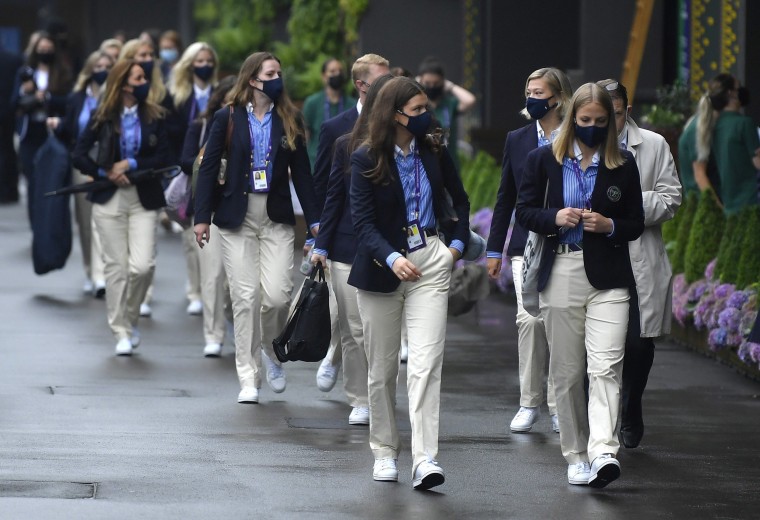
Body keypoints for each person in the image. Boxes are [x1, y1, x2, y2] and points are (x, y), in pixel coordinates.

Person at [515, 83, 644, 488]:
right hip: (563, 271)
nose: (591, 127)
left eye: (600, 122)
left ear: (610, 123)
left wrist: (609, 225)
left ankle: (603, 450)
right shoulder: (543, 160)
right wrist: (554, 218)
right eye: (584, 120)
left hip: (609, 278)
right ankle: (575, 452)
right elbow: (525, 211)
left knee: (606, 366)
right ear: (572, 119)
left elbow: (635, 222)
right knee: (568, 372)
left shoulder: (622, 163)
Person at [349, 76, 470, 490]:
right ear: (395, 114)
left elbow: (460, 198)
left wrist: (455, 246)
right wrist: (392, 256)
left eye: (426, 109)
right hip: (384, 268)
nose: (426, 116)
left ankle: (426, 458)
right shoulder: (366, 157)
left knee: (424, 363)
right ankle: (384, 450)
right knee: (382, 369)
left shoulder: (434, 150)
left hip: (432, 264)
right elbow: (361, 223)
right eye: (417, 111)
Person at [193, 52, 321, 404]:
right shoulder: (227, 117)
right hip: (237, 217)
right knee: (245, 297)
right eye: (271, 73)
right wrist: (202, 216)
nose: (278, 78)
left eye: (280, 72)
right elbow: (208, 169)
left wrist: (315, 222)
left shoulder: (289, 118)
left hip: (276, 217)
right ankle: (248, 376)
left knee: (278, 296)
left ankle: (270, 350)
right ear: (253, 80)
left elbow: (303, 176)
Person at [486, 67, 573, 435]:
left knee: (558, 325)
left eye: (539, 92)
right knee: (530, 319)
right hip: (527, 244)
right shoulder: (517, 139)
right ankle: (529, 401)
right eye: (528, 91)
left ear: (557, 97)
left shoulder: (575, 137)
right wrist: (494, 250)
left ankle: (558, 405)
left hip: (569, 241)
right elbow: (506, 196)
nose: (532, 98)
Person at [597, 79, 683, 449]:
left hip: (637, 257)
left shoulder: (653, 145)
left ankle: (630, 406)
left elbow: (671, 198)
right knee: (594, 347)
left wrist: (626, 207)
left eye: (615, 116)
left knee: (637, 344)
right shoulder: (576, 144)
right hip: (592, 256)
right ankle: (600, 422)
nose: (608, 125)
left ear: (627, 111)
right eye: (601, 117)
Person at [310, 72, 394, 425]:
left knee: (381, 331)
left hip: (389, 248)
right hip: (346, 246)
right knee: (353, 328)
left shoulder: (408, 147)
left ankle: (381, 393)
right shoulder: (346, 143)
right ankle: (361, 398)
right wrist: (319, 245)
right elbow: (332, 199)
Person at [71, 59, 170, 355]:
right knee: (116, 268)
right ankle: (120, 331)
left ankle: (130, 316)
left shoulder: (154, 115)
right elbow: (79, 155)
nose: (145, 84)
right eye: (139, 79)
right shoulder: (102, 115)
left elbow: (165, 156)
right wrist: (106, 172)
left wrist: (132, 163)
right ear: (124, 84)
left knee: (142, 266)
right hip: (109, 197)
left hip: (143, 197)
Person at [48, 50, 115, 296]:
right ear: (89, 69)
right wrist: (56, 125)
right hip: (83, 161)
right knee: (86, 220)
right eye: (98, 65)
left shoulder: (116, 97)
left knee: (105, 216)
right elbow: (68, 128)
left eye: (107, 65)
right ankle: (90, 269)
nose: (102, 70)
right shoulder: (77, 98)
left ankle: (103, 274)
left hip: (110, 160)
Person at [180, 75, 236, 357]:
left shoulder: (251, 131)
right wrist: (210, 159)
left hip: (239, 211)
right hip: (210, 210)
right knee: (212, 274)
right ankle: (213, 334)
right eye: (228, 103)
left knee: (234, 280)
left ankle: (233, 318)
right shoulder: (203, 126)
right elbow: (184, 160)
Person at [169, 42, 220, 316]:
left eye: (208, 60)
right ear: (190, 65)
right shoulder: (177, 96)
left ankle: (209, 289)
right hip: (185, 170)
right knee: (191, 237)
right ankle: (194, 290)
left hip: (209, 171)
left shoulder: (218, 95)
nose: (205, 65)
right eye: (199, 60)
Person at [12, 31, 72, 225]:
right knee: (33, 180)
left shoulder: (63, 73)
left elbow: (69, 102)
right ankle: (36, 225)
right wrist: (26, 92)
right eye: (41, 49)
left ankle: (52, 225)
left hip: (54, 132)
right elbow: (13, 103)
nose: (45, 52)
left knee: (54, 179)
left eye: (48, 49)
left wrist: (47, 98)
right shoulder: (25, 73)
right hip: (30, 132)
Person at [694, 73, 760, 215]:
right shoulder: (744, 124)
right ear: (731, 93)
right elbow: (758, 162)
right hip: (751, 203)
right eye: (738, 88)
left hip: (729, 205)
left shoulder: (714, 126)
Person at [416, 56, 476, 169]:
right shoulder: (417, 104)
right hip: (424, 164)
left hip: (449, 163)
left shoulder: (449, 103)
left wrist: (450, 86)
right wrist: (414, 84)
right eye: (427, 83)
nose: (432, 87)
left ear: (442, 81)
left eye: (436, 83)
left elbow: (470, 100)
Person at [302, 58, 356, 167]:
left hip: (345, 164)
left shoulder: (352, 104)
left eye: (340, 71)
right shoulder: (312, 103)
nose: (338, 74)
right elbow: (305, 137)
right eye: (332, 71)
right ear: (324, 76)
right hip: (317, 164)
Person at [0, 45, 23, 204]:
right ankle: (10, 190)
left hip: (7, 110)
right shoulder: (14, 58)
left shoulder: (14, 58)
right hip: (8, 111)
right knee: (8, 150)